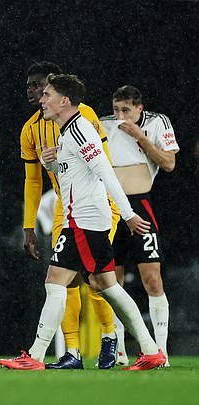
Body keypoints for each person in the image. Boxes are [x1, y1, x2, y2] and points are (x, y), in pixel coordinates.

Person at [0, 74, 166, 371]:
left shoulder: (80, 131)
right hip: (86, 219)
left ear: (64, 101)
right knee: (107, 285)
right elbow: (74, 173)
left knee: (54, 280)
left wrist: (128, 214)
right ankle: (151, 349)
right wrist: (51, 162)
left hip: (85, 221)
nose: (42, 100)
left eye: (47, 95)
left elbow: (105, 172)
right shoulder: (67, 132)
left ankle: (35, 356)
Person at [20, 61, 119, 369]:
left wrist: (124, 209)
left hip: (95, 203)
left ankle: (110, 337)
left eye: (40, 86)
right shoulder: (30, 129)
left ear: (56, 90)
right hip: (67, 206)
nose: (34, 92)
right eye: (29, 86)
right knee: (67, 279)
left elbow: (101, 165)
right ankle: (72, 352)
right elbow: (33, 180)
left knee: (94, 279)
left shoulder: (83, 115)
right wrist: (28, 226)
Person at [101, 85, 179, 367]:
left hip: (139, 205)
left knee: (153, 280)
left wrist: (140, 138)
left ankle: (161, 351)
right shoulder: (103, 125)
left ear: (139, 109)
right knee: (113, 283)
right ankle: (119, 353)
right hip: (110, 209)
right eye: (116, 109)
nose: (120, 116)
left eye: (126, 110)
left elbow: (169, 163)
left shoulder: (157, 122)